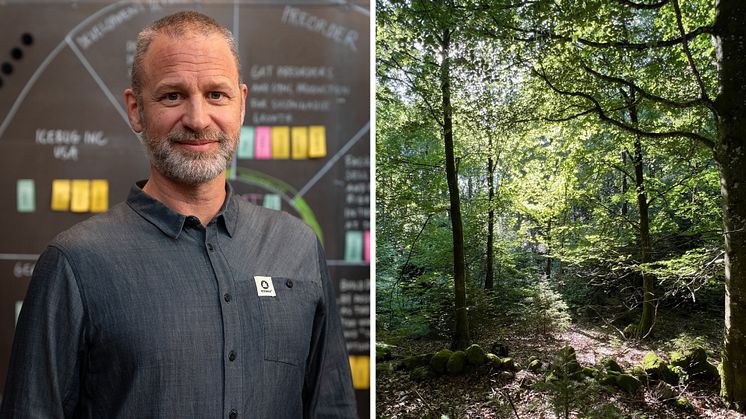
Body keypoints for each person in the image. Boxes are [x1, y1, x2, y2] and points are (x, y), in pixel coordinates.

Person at [0, 11, 357, 419]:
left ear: (241, 105)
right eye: (172, 95)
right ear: (135, 110)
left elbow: (332, 407)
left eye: (216, 95)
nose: (198, 119)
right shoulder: (75, 263)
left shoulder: (298, 246)